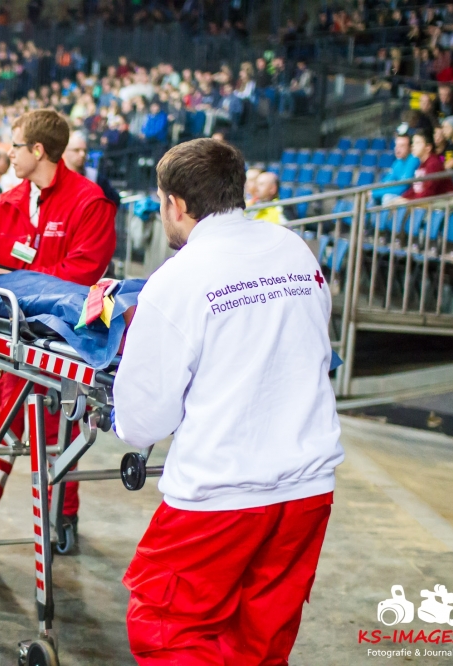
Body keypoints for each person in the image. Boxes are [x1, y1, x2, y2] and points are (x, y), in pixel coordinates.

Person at [113, 138, 344, 665]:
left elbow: (144, 422)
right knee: (260, 642)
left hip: (221, 492)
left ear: (175, 204)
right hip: (306, 489)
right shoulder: (292, 249)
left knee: (168, 631)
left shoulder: (177, 280)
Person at [0, 109, 117, 546]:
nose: (9, 153)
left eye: (15, 145)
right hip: (16, 340)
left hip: (66, 343)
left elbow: (80, 277)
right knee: (11, 424)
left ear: (38, 150)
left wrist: (13, 278)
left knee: (60, 430)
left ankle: (57, 518)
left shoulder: (89, 202)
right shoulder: (7, 203)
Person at [63, 130, 121, 206]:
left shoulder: (94, 176)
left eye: (85, 150)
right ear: (64, 152)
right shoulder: (55, 176)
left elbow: (114, 200)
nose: (82, 154)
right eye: (76, 150)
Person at [399, 129, 453, 200]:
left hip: (442, 203)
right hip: (425, 202)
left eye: (417, 143)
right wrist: (402, 198)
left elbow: (428, 192)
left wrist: (408, 201)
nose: (413, 146)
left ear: (428, 147)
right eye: (413, 143)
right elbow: (416, 189)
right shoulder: (422, 164)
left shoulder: (434, 164)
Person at [371, 132, 420, 204]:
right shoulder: (398, 162)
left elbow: (403, 187)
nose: (398, 149)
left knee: (387, 197)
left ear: (410, 148)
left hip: (408, 197)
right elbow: (386, 182)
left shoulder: (414, 160)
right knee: (371, 199)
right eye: (396, 145)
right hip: (399, 195)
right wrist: (373, 192)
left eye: (402, 146)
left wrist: (374, 193)